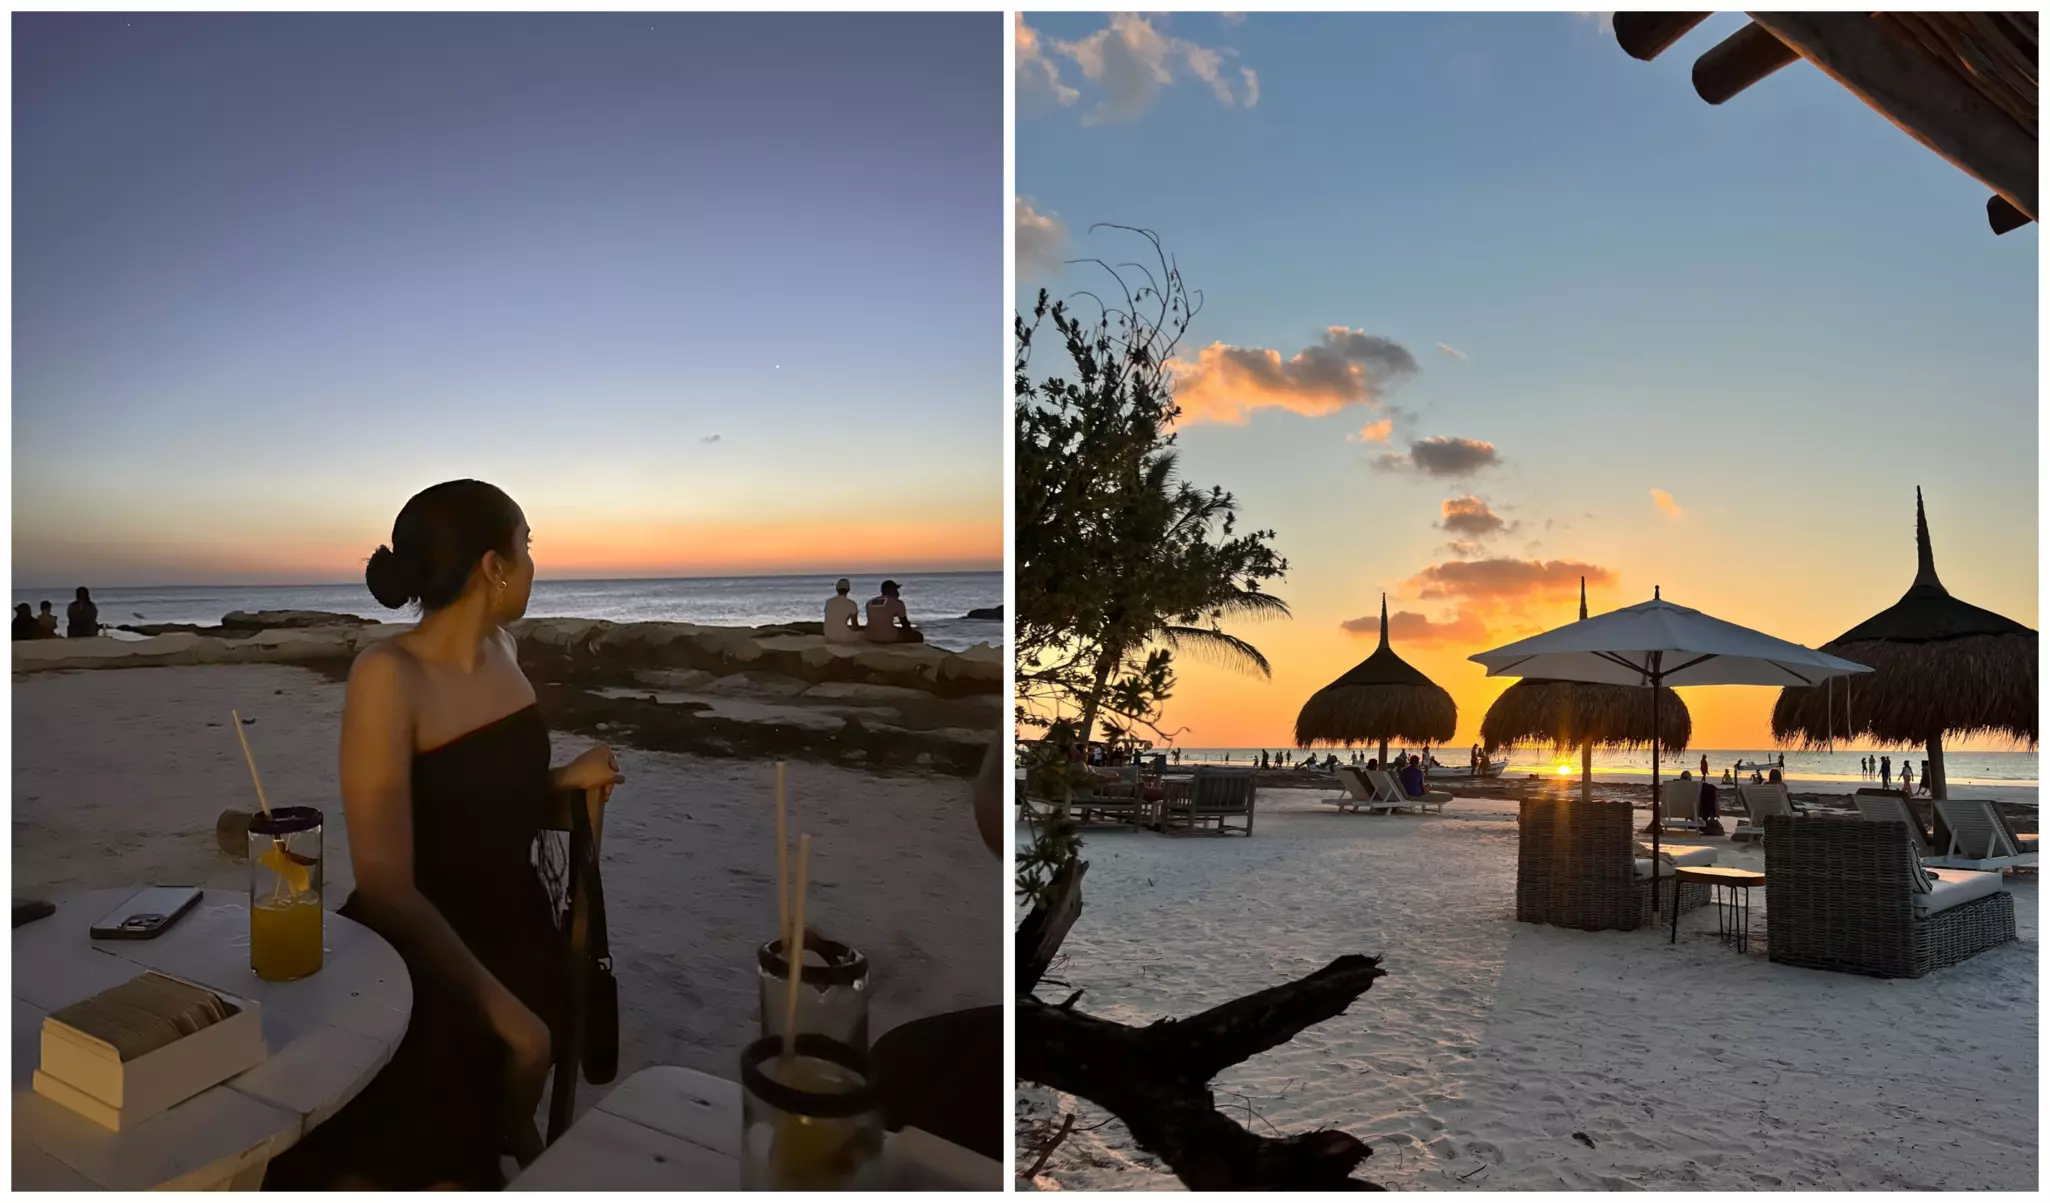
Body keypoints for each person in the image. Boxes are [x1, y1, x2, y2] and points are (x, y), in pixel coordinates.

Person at [263, 480, 624, 1191]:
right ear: (493, 565)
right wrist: (507, 1015)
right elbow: (389, 885)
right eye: (528, 545)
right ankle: (493, 1140)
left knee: (532, 1036)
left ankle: (502, 1130)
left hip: (515, 921)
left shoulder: (506, 649)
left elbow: (484, 795)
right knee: (446, 1085)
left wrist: (560, 782)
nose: (532, 562)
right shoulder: (388, 674)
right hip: (414, 942)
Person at [864, 580, 925, 644]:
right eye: (896, 590)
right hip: (887, 638)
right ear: (891, 591)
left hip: (869, 636)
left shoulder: (870, 602)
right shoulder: (897, 603)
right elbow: (904, 624)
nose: (898, 593)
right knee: (918, 636)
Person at [823, 578, 863, 643]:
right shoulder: (851, 603)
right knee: (862, 635)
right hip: (842, 637)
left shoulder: (829, 602)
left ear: (837, 589)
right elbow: (855, 625)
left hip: (828, 635)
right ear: (848, 590)